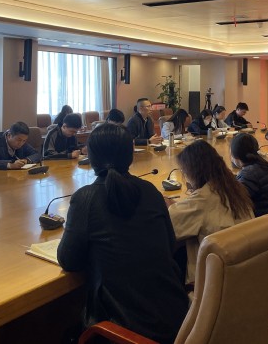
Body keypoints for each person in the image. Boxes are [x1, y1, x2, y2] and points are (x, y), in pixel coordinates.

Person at [57, 124, 189, 343]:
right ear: (130, 156)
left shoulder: (85, 198)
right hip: (176, 319)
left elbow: (68, 260)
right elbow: (169, 244)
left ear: (92, 157)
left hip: (125, 329)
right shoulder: (151, 191)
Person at [167, 141, 253, 285]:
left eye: (184, 171)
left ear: (193, 171)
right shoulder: (234, 188)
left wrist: (168, 205)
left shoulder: (202, 200)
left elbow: (167, 225)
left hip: (212, 282)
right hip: (241, 272)